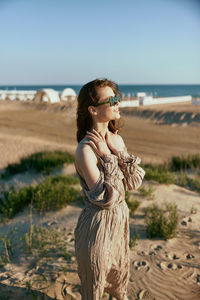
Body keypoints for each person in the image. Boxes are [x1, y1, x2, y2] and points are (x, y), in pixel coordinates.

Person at [74, 78, 145, 300]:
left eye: (117, 97)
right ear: (93, 110)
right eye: (111, 99)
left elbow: (133, 183)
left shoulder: (116, 140)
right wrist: (107, 157)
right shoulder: (86, 150)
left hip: (119, 227)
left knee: (119, 286)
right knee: (94, 290)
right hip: (97, 229)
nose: (118, 103)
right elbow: (106, 198)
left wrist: (120, 154)